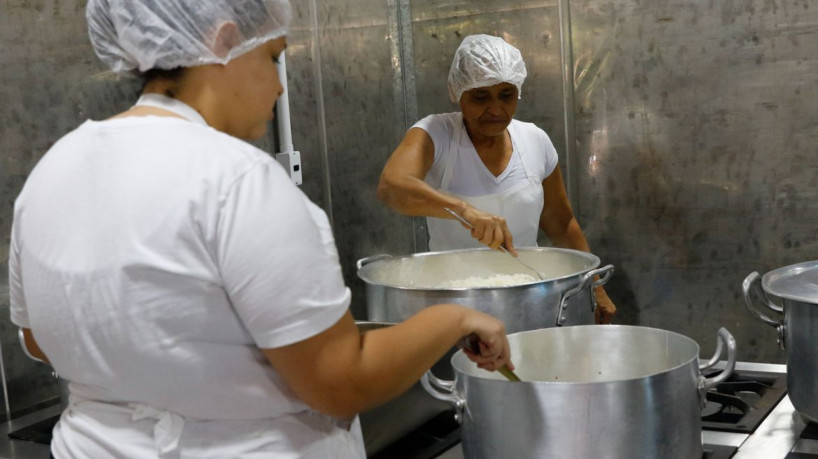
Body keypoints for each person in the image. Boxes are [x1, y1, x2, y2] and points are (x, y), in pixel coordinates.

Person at [8, 2, 513, 458]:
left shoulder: (55, 167)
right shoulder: (240, 181)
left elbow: (38, 339)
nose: (278, 85)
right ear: (223, 42)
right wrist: (455, 318)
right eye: (273, 57)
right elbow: (341, 381)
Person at [377, 34, 616, 324]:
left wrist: (596, 288)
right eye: (480, 96)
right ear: (458, 92)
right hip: (454, 303)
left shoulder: (535, 140)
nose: (495, 109)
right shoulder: (436, 134)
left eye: (506, 95)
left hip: (530, 298)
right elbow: (392, 186)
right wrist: (465, 211)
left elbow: (562, 224)